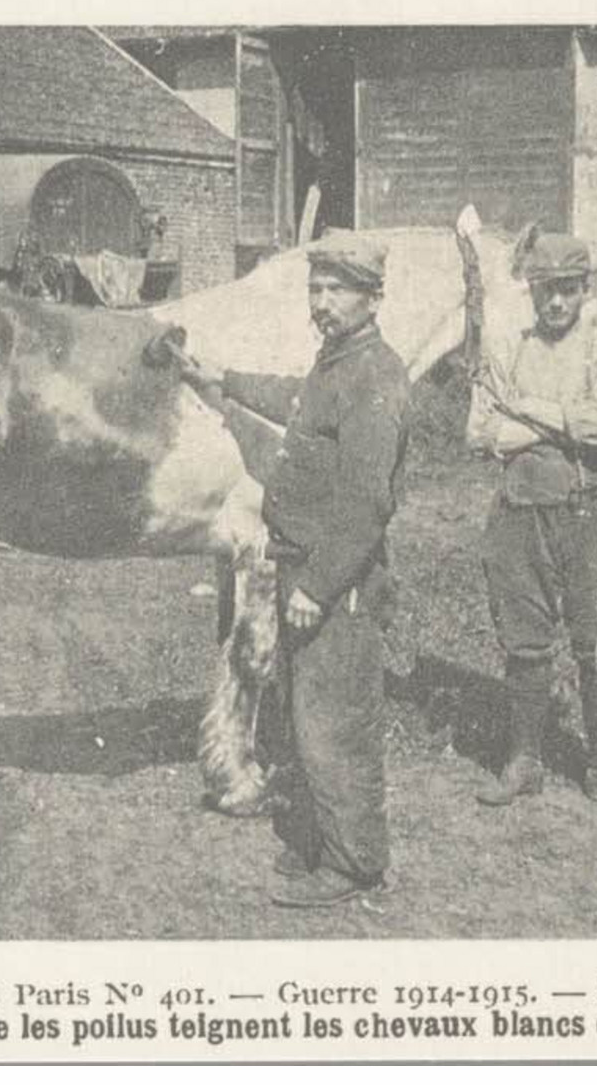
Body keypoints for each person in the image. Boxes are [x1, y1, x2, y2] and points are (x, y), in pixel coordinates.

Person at [210, 232, 411, 907]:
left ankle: (354, 863)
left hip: (337, 581)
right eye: (315, 290)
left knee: (335, 723)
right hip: (302, 564)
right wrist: (222, 380)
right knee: (305, 714)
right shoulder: (335, 362)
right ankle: (323, 841)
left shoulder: (375, 375)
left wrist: (321, 588)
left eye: (337, 291)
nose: (322, 303)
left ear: (372, 298)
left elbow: (365, 502)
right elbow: (294, 400)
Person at [466, 232, 597, 811]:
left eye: (567, 291)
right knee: (524, 637)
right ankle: (524, 761)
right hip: (520, 511)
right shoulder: (507, 348)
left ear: (584, 290)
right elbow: (480, 433)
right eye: (546, 291)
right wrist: (564, 423)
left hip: (589, 513)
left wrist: (521, 410)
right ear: (532, 291)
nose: (556, 304)